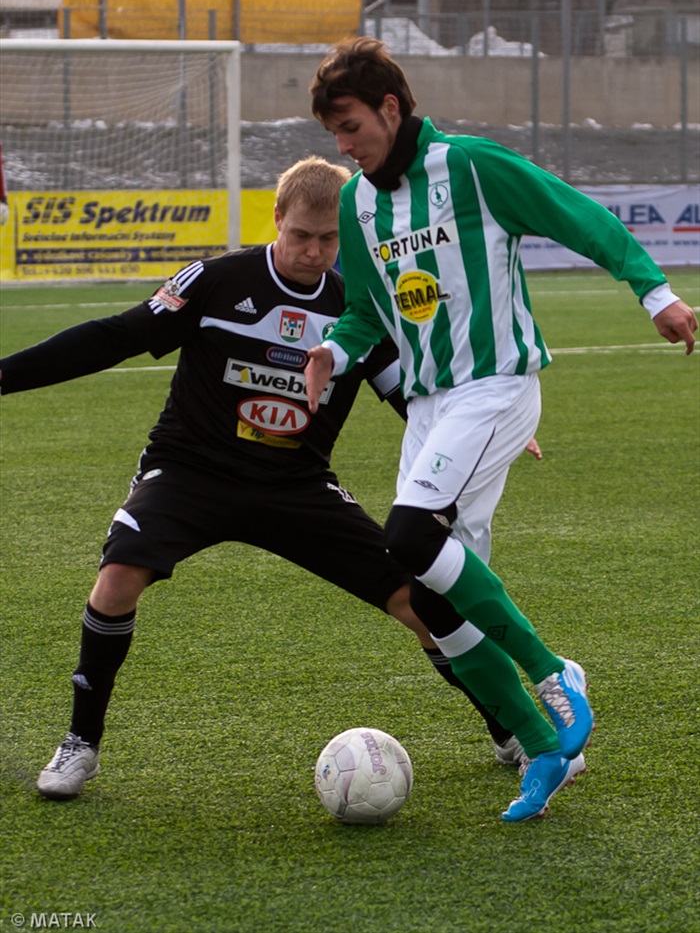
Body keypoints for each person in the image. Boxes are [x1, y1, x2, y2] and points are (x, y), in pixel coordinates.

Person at [1, 156, 539, 809]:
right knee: (117, 578)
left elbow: (412, 394)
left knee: (419, 601)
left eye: (329, 240)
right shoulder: (217, 280)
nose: (313, 251)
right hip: (192, 471)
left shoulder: (360, 308)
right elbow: (115, 336)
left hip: (298, 484)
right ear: (277, 219)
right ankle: (80, 741)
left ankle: (504, 725)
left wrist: (491, 422)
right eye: (301, 235)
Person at [305, 36, 697, 821]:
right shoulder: (357, 203)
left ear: (390, 107)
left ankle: (556, 674)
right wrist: (331, 352)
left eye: (350, 127)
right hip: (428, 407)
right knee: (430, 597)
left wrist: (654, 294)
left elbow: (573, 214)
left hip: (495, 387)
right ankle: (546, 747)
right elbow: (361, 313)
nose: (342, 148)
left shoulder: (471, 167)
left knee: (408, 535)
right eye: (333, 135)